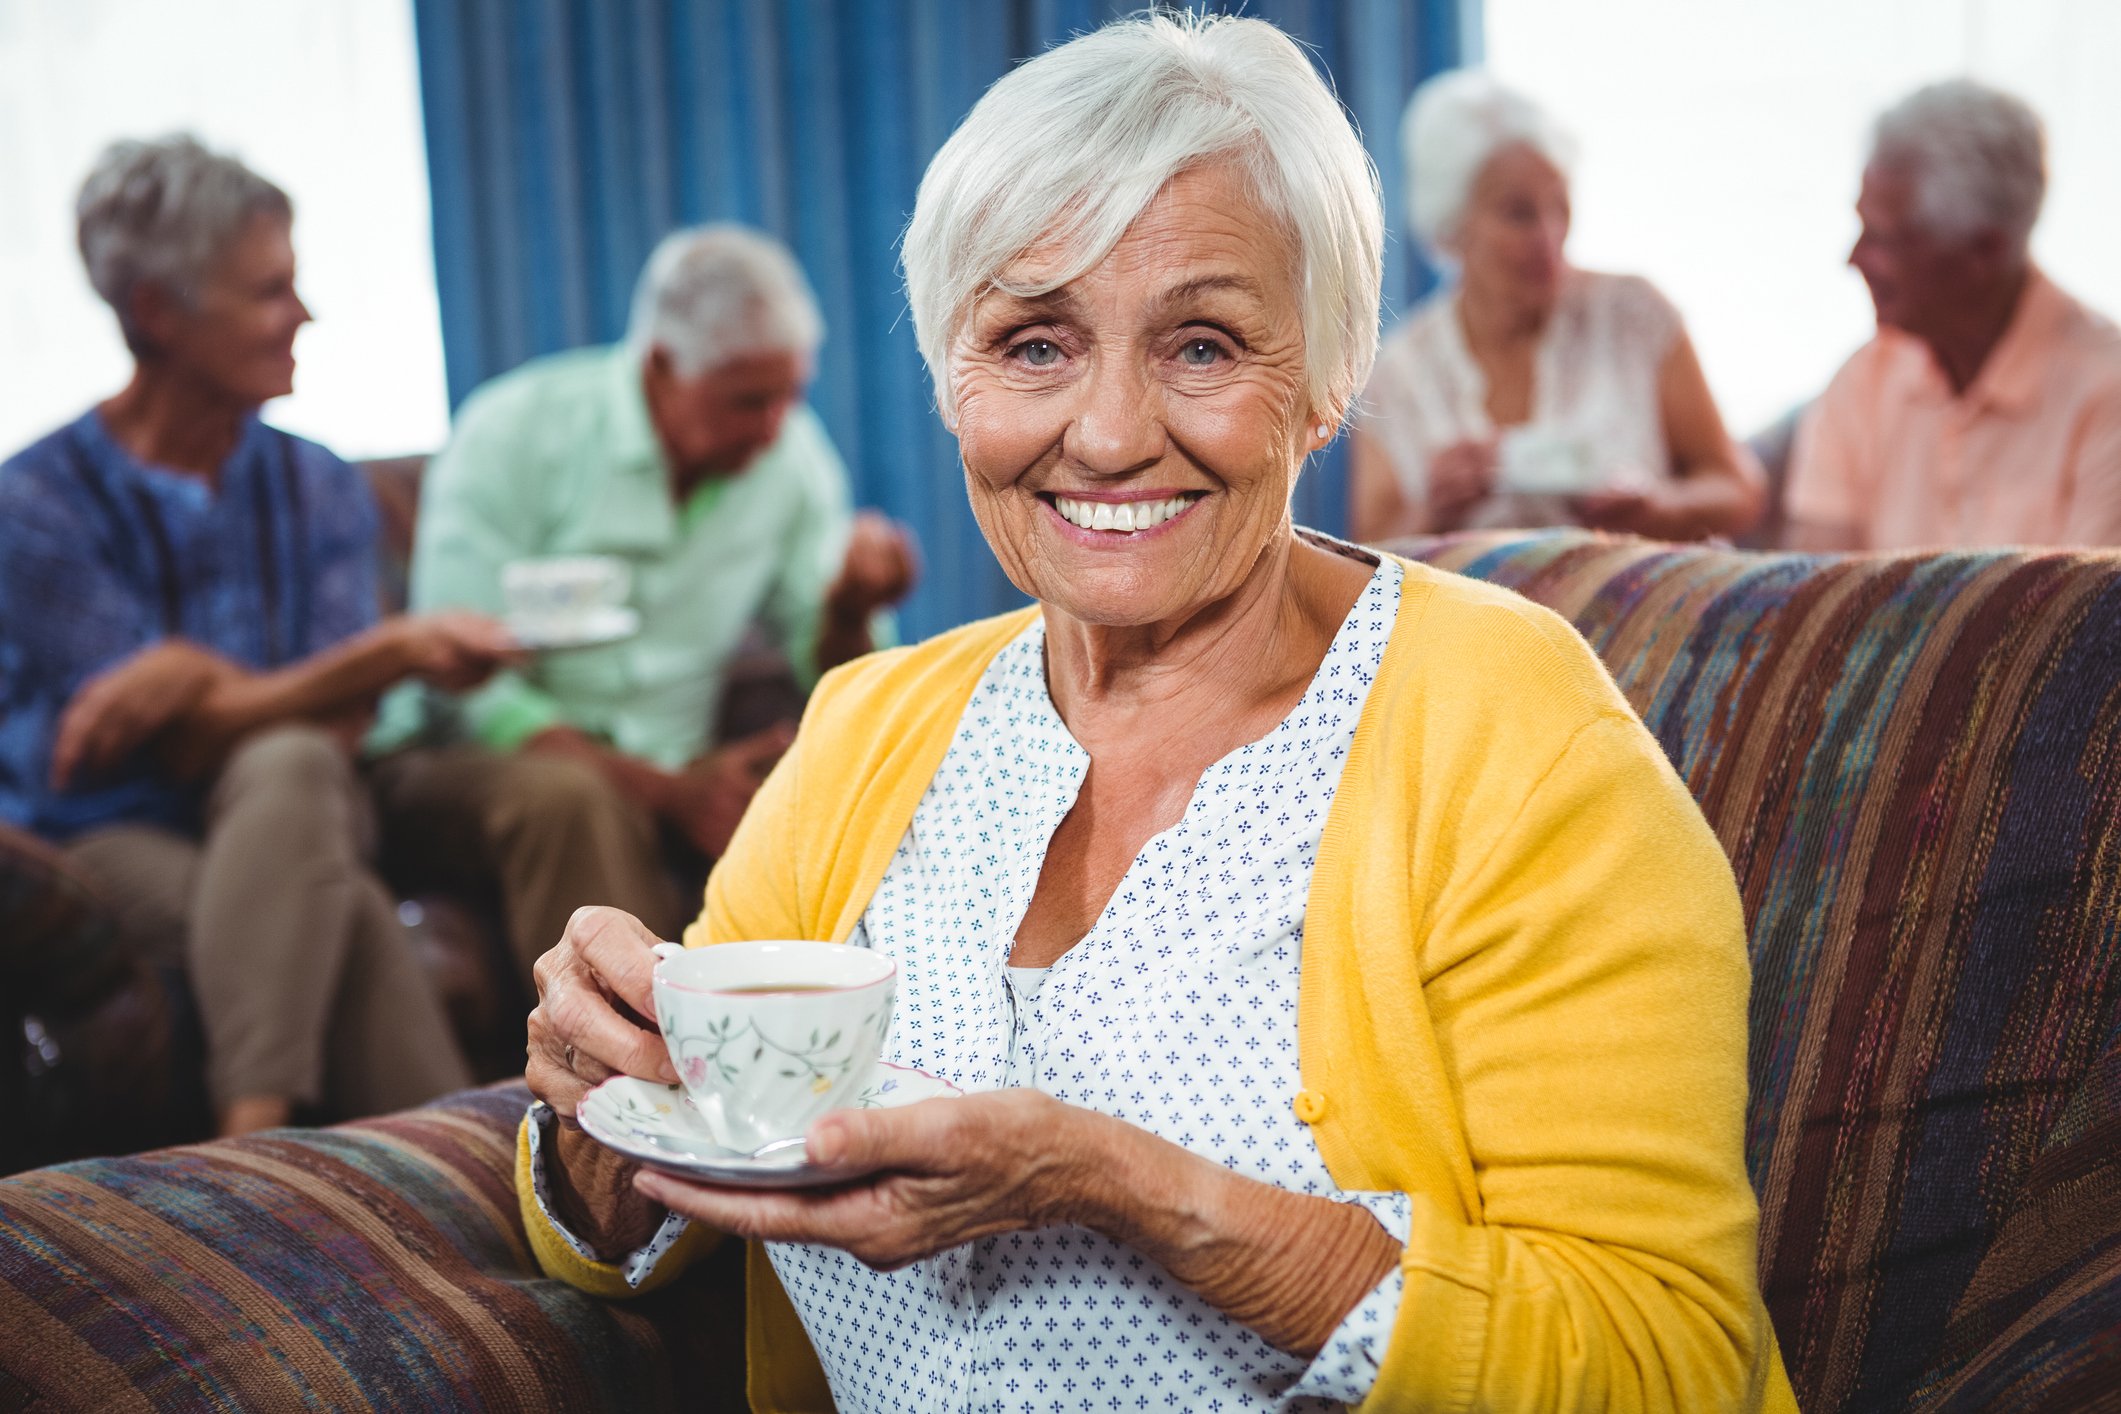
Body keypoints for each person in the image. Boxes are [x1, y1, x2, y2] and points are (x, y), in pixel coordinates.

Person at [512, 16, 1798, 1411]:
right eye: (1033, 342)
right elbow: (625, 1217)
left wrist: (1122, 1183)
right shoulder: (867, 730)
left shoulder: (1517, 736)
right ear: (952, 379)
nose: (1112, 431)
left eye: (1199, 344)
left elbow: (1668, 1360)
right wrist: (599, 1093)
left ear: (1325, 378)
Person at [0, 136, 501, 1136]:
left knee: (291, 761)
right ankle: (477, 1188)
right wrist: (386, 652)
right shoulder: (34, 503)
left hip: (303, 798)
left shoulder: (318, 484)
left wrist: (191, 676)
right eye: (269, 291)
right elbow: (159, 745)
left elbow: (330, 720)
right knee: (340, 912)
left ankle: (247, 1146)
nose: (303, 315)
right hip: (111, 832)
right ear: (156, 314)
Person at [370, 227, 917, 987]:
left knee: (854, 774)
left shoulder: (789, 455)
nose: (771, 429)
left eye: (790, 395)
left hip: (673, 762)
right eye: (746, 401)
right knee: (572, 800)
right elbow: (464, 690)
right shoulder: (514, 432)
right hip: (474, 762)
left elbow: (841, 674)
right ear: (661, 365)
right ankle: (617, 1087)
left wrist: (851, 607)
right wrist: (664, 791)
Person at [1349, 71, 1763, 544]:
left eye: (1560, 208)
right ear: (1453, 224)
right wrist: (1434, 512)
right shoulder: (1400, 377)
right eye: (1519, 214)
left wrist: (1657, 507)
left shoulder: (1635, 316)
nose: (1549, 239)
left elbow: (1739, 490)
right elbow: (1368, 555)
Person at [1786, 80, 2121, 550]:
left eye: (1885, 239)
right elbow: (1816, 604)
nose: (1854, 258)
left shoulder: (2107, 393)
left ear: (1985, 250)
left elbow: (2096, 620)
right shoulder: (1862, 381)